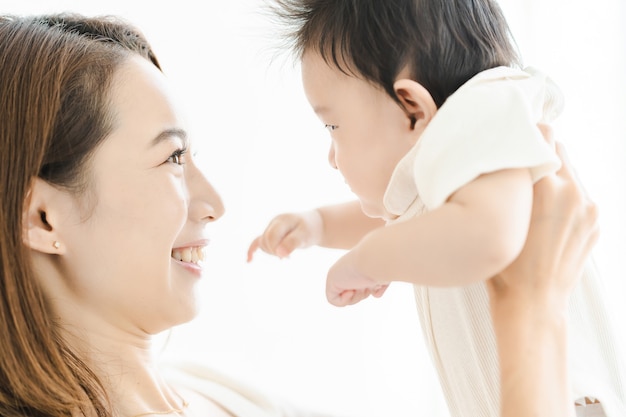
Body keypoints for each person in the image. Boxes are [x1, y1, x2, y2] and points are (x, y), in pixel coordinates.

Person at [0, 11, 605, 417]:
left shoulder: (213, 392)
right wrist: (531, 311)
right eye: (173, 159)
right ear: (44, 219)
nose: (215, 205)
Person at [247, 1, 626, 416]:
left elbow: (488, 236)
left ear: (412, 109)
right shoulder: (456, 166)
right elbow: (400, 216)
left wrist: (368, 261)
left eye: (333, 128)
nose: (332, 158)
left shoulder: (484, 111)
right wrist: (317, 225)